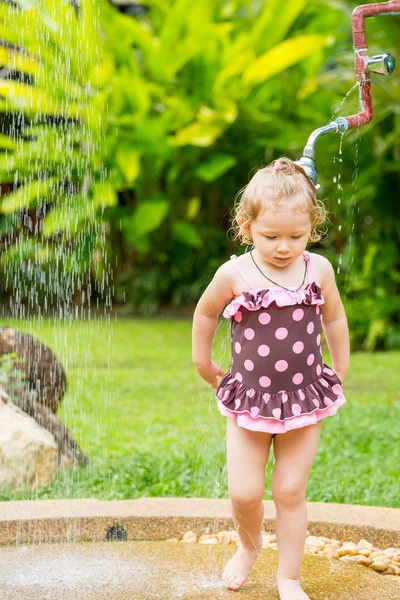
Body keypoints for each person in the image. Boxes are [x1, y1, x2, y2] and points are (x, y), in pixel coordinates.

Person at [191, 157, 350, 600]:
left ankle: (289, 577)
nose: (284, 246)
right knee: (244, 492)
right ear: (246, 226)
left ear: (312, 227)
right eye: (271, 236)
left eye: (296, 236)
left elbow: (334, 320)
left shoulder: (318, 270)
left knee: (289, 488)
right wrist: (203, 362)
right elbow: (205, 314)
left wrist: (340, 366)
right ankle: (248, 546)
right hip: (250, 400)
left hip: (305, 398)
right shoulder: (235, 273)